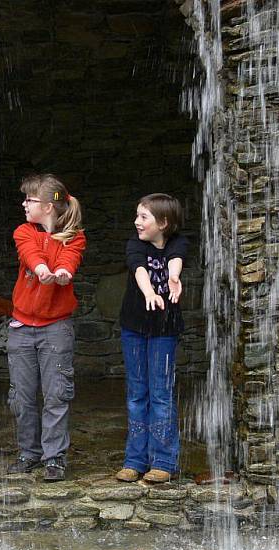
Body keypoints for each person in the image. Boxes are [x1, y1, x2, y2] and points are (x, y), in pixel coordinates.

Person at [6, 174, 86, 482]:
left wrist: (64, 273)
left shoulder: (74, 235)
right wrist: (43, 270)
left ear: (49, 207)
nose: (24, 204)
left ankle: (55, 458)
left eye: (30, 200)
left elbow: (70, 258)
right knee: (22, 395)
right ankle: (29, 452)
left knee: (56, 394)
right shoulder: (23, 231)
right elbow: (32, 256)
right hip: (21, 326)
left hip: (56, 327)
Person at [115, 194, 187, 484]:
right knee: (137, 394)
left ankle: (164, 461)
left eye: (144, 217)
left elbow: (175, 260)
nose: (137, 221)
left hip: (164, 331)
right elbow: (139, 268)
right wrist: (148, 292)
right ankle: (135, 460)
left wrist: (173, 278)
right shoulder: (135, 243)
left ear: (164, 222)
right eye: (137, 215)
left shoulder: (178, 241)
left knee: (161, 394)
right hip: (134, 327)